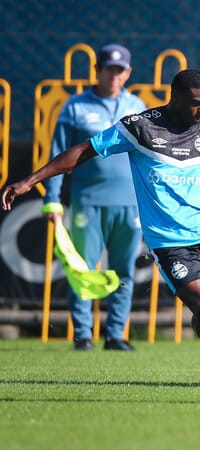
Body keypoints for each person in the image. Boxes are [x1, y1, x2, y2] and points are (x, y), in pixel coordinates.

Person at [2, 69, 200, 386]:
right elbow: (83, 151)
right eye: (197, 104)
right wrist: (29, 180)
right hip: (170, 242)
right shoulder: (140, 127)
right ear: (175, 97)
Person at [42, 43, 146, 351]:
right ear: (97, 71)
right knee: (82, 269)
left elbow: (146, 155)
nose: (113, 76)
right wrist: (52, 198)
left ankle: (115, 334)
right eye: (108, 70)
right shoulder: (74, 107)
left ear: (128, 73)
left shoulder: (136, 105)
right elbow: (58, 155)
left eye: (120, 70)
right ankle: (83, 335)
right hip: (87, 201)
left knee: (124, 270)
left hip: (129, 203)